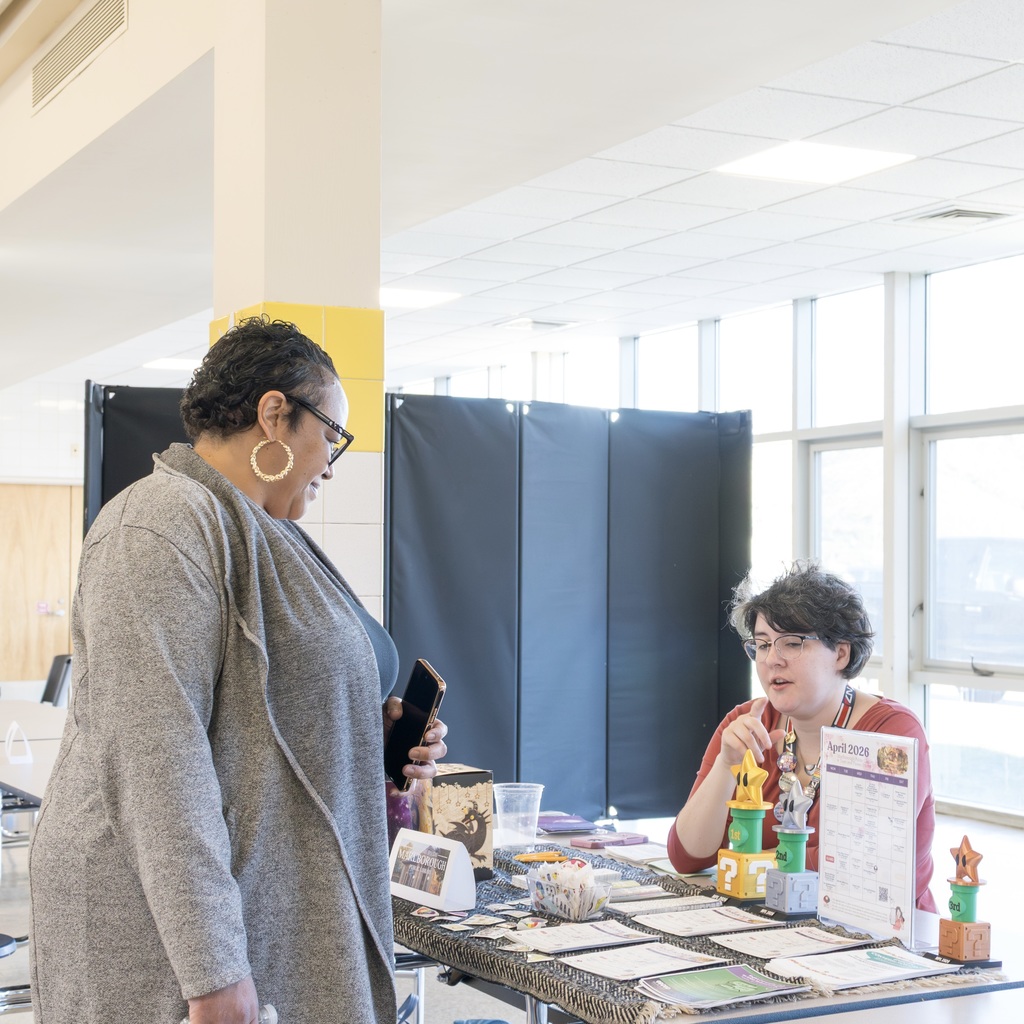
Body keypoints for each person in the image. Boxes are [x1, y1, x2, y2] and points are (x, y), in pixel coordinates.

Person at [29, 317, 448, 1024]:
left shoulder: (263, 530)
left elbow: (259, 713)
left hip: (272, 901)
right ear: (274, 415)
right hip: (169, 941)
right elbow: (158, 761)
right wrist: (213, 973)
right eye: (333, 435)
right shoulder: (159, 526)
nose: (334, 463)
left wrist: (369, 738)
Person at [668, 563, 936, 912]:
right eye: (761, 645)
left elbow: (856, 865)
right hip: (770, 920)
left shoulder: (891, 734)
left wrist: (745, 865)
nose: (772, 661)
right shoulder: (748, 722)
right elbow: (687, 855)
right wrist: (725, 765)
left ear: (841, 653)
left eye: (792, 643)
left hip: (874, 930)